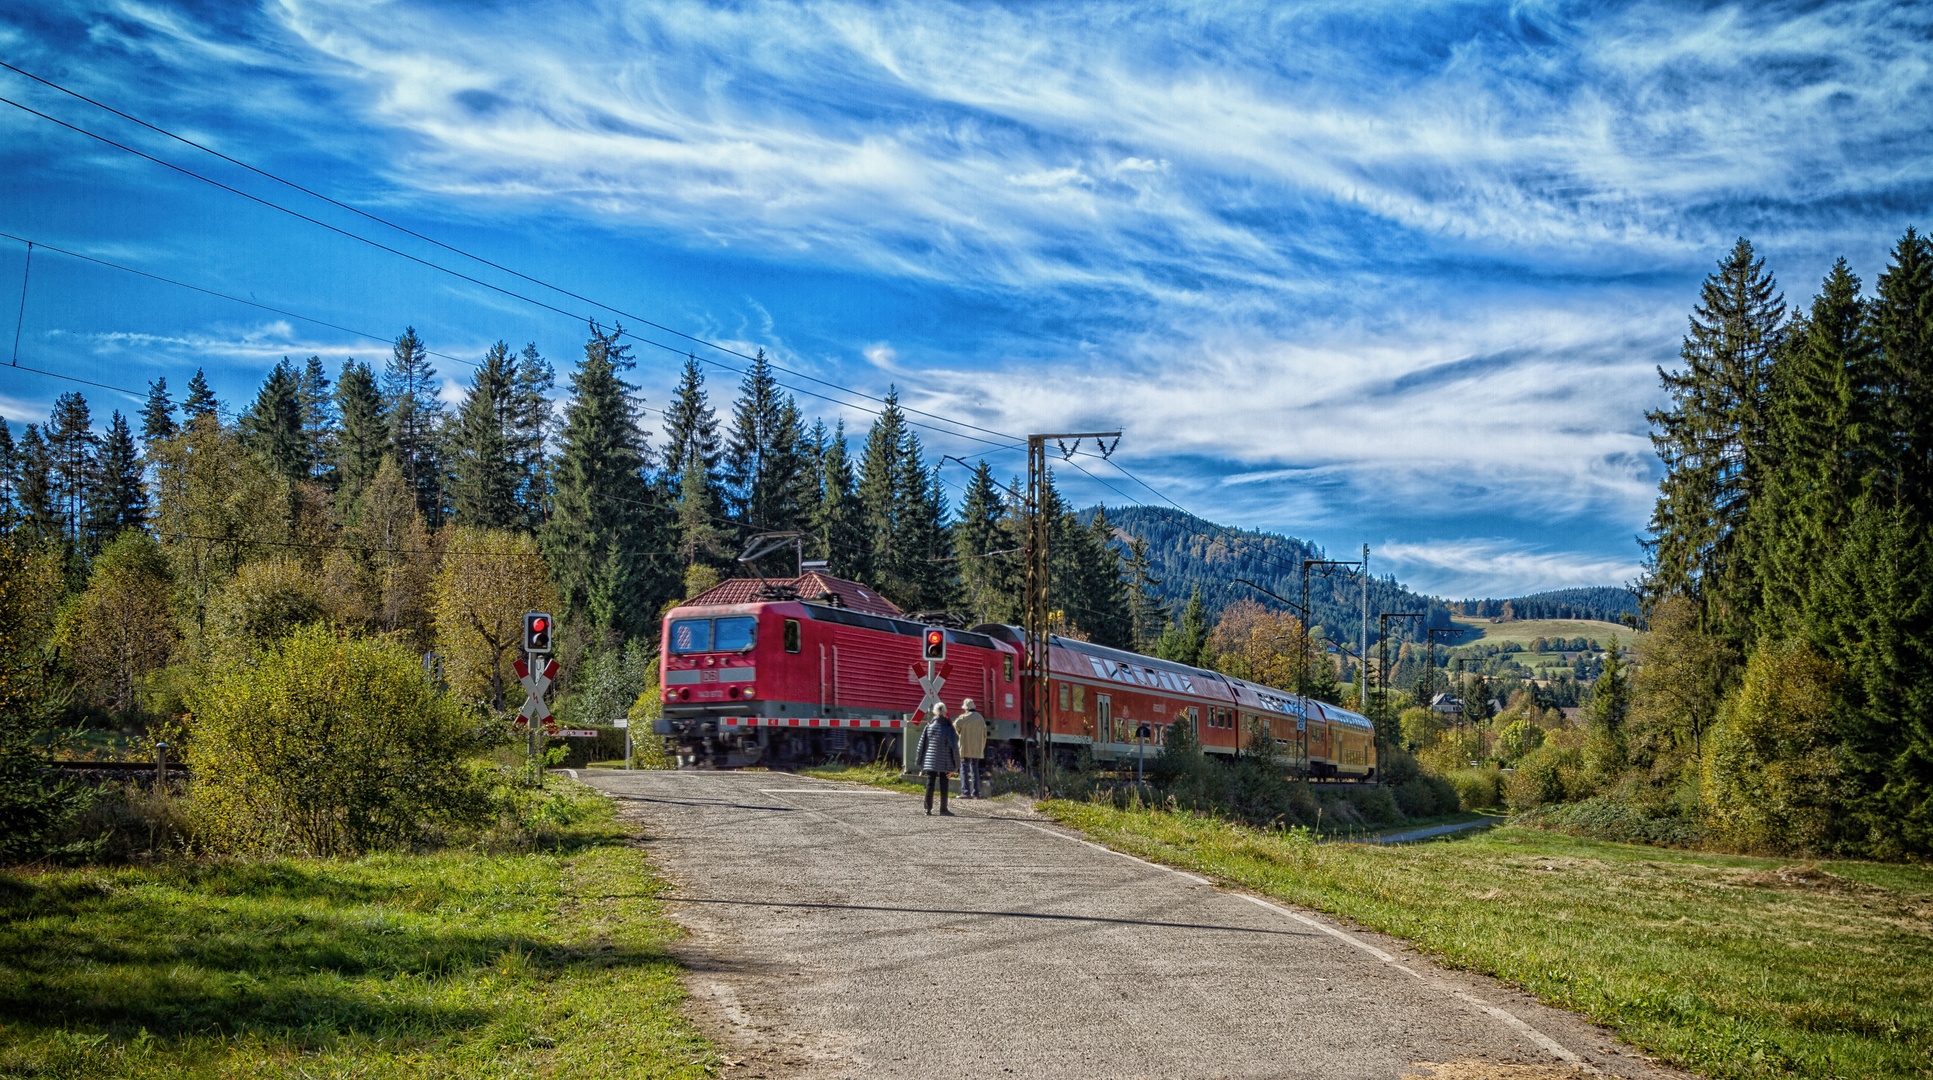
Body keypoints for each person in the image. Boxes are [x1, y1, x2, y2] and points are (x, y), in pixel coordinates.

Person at [915, 701, 960, 816]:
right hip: (945, 762)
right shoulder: (949, 729)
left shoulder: (928, 727)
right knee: (944, 785)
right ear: (945, 713)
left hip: (930, 762)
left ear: (935, 713)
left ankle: (927, 809)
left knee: (930, 784)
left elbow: (921, 745)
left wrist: (919, 761)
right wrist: (956, 765)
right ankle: (943, 809)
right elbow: (954, 748)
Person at [954, 698, 988, 799]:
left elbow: (955, 725)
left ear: (965, 708)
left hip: (965, 748)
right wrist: (981, 746)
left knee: (964, 768)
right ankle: (976, 792)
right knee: (974, 769)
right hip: (976, 749)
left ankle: (965, 792)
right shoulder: (980, 718)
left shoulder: (964, 717)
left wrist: (960, 733)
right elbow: (985, 734)